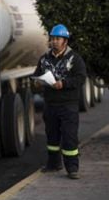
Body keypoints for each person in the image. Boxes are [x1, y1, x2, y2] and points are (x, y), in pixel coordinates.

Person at [33, 24, 86, 179]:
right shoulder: (44, 59)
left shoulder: (74, 59)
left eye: (58, 39)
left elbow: (81, 78)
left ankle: (72, 168)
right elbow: (36, 74)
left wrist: (64, 84)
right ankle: (53, 164)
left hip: (68, 105)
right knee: (52, 137)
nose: (54, 41)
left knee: (69, 137)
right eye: (53, 38)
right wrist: (36, 82)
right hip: (50, 105)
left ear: (65, 41)